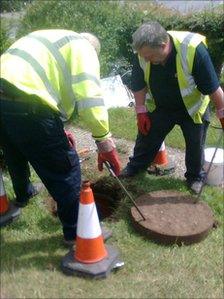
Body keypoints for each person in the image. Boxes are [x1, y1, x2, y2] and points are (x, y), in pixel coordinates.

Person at [0, 29, 121, 244]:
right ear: (94, 51)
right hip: (28, 103)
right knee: (66, 168)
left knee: (14, 149)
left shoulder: (53, 38)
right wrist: (103, 140)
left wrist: (58, 129)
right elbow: (90, 99)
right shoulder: (85, 50)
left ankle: (24, 193)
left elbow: (47, 84)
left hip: (4, 94)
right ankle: (78, 232)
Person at [120, 21, 224, 194]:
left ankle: (195, 177)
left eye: (149, 56)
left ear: (163, 45)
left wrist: (222, 114)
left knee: (195, 144)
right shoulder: (143, 51)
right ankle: (135, 168)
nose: (145, 59)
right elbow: (138, 83)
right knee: (147, 138)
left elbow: (213, 88)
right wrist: (141, 112)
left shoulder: (192, 49)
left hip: (192, 108)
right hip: (161, 107)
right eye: (143, 56)